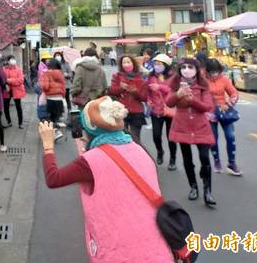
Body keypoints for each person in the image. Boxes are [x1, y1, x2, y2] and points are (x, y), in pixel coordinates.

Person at [39, 96, 172, 262]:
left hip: (120, 251)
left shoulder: (90, 161)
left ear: (91, 129)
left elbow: (54, 178)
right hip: (155, 246)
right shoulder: (139, 149)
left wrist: (48, 146)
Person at [165, 58, 216, 207]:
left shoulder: (203, 86)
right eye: (184, 67)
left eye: (190, 67)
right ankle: (193, 186)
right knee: (187, 159)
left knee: (204, 158)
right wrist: (178, 94)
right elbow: (169, 102)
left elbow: (207, 106)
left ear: (197, 70)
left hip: (200, 126)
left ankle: (208, 191)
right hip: (183, 125)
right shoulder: (175, 85)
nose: (187, 70)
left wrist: (192, 99)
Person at [205, 58, 242, 176]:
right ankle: (217, 161)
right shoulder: (203, 81)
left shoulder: (224, 79)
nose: (214, 74)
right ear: (207, 71)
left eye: (216, 71)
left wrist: (228, 104)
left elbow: (234, 93)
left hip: (224, 112)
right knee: (213, 140)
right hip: (210, 114)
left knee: (230, 137)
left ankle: (232, 163)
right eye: (211, 71)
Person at [108, 55, 148, 145]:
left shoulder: (141, 77)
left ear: (133, 63)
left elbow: (144, 98)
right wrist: (121, 88)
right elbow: (112, 91)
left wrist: (135, 92)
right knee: (122, 136)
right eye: (124, 62)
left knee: (135, 137)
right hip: (121, 110)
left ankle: (136, 156)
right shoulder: (117, 76)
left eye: (128, 62)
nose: (126, 64)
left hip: (137, 111)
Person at [147, 54, 177, 170]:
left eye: (159, 64)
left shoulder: (173, 77)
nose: (157, 66)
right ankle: (160, 151)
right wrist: (149, 100)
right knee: (156, 135)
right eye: (155, 64)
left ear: (166, 65)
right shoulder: (151, 76)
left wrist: (160, 88)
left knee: (171, 137)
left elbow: (174, 91)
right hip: (156, 110)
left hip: (170, 109)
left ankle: (172, 159)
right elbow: (148, 90)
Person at [40, 57, 67, 140]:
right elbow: (63, 88)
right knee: (56, 117)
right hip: (59, 98)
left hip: (51, 98)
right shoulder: (61, 74)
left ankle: (55, 132)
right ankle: (55, 132)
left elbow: (45, 87)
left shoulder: (46, 73)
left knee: (50, 117)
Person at [2, 55, 25, 129]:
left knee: (18, 107)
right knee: (6, 107)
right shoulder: (4, 69)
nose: (13, 60)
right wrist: (7, 82)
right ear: (8, 61)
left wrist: (9, 80)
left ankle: (20, 123)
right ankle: (9, 122)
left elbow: (20, 80)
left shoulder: (18, 69)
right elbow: (2, 79)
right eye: (11, 59)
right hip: (7, 90)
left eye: (13, 59)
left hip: (16, 90)